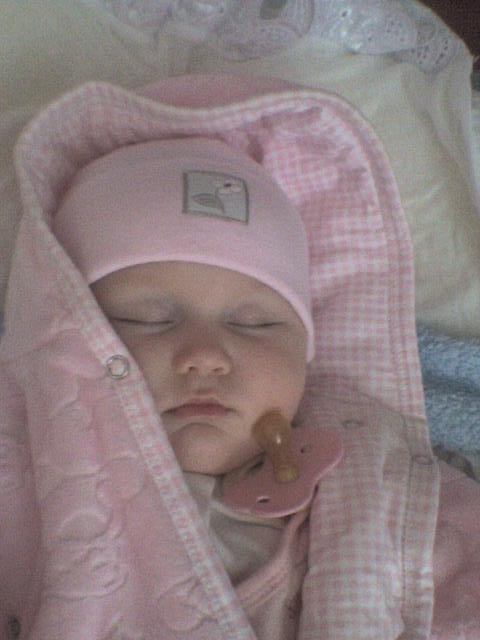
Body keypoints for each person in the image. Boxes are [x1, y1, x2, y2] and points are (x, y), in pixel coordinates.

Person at [3, 75, 469, 640]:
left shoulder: (389, 491)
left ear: (305, 354)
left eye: (254, 324)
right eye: (147, 319)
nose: (205, 356)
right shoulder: (24, 493)